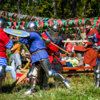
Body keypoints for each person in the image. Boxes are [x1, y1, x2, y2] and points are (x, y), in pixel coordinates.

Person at [19, 22, 70, 94]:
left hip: (42, 55)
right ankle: (31, 89)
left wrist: (23, 31)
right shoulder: (34, 36)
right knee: (31, 74)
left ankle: (64, 80)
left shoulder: (34, 34)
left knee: (49, 73)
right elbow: (22, 40)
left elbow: (28, 35)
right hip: (35, 56)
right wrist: (21, 33)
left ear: (30, 29)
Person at [41, 24, 66, 89]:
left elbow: (61, 47)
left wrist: (68, 53)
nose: (55, 32)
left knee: (58, 70)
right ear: (51, 30)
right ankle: (45, 86)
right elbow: (41, 45)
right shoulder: (45, 35)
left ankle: (57, 85)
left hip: (55, 56)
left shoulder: (59, 38)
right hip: (47, 56)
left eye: (57, 31)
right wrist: (46, 43)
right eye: (54, 31)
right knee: (47, 72)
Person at [0, 18, 13, 92]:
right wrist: (9, 37)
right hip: (1, 56)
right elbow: (9, 45)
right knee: (1, 74)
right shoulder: (2, 33)